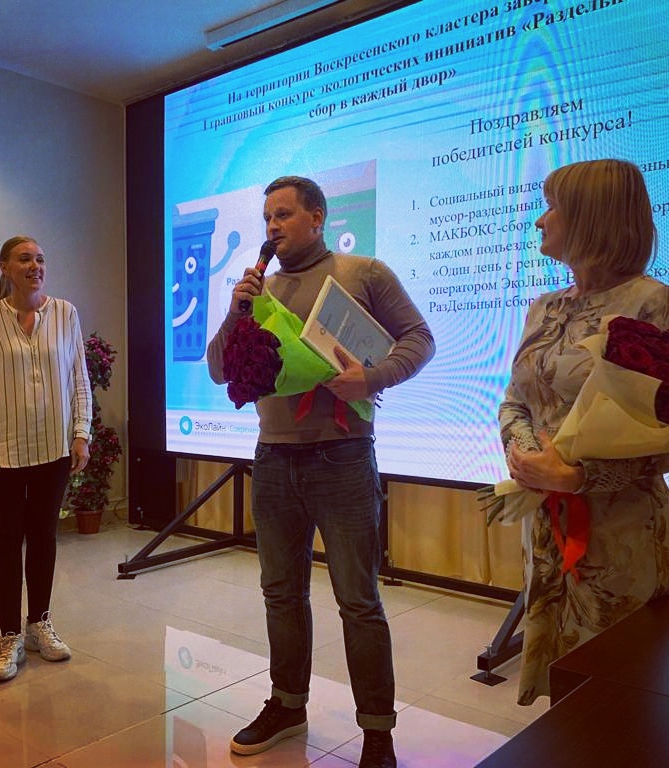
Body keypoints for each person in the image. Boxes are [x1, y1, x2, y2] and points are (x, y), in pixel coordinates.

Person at [207, 176, 434, 768]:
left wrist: (373, 377)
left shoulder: (363, 273)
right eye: (267, 218)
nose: (272, 227)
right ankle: (288, 704)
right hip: (273, 457)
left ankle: (377, 732)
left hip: (344, 458)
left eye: (283, 214)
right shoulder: (258, 289)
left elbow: (419, 339)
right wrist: (235, 311)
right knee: (281, 593)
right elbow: (217, 369)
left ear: (317, 217)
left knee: (358, 600)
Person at [499, 159, 669, 705]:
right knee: (566, 696)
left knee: (624, 700)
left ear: (592, 217)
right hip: (546, 524)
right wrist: (529, 458)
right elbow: (516, 400)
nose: (540, 220)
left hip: (622, 535)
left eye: (553, 207)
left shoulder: (657, 304)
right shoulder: (544, 307)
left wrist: (581, 475)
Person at [0, 235, 92, 683]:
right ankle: (8, 636)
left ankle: (39, 623)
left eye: (40, 259)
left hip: (53, 448)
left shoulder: (66, 313)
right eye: (25, 259)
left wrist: (81, 434)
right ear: (5, 267)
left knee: (43, 537)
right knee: (6, 539)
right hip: (3, 449)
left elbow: (80, 379)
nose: (35, 265)